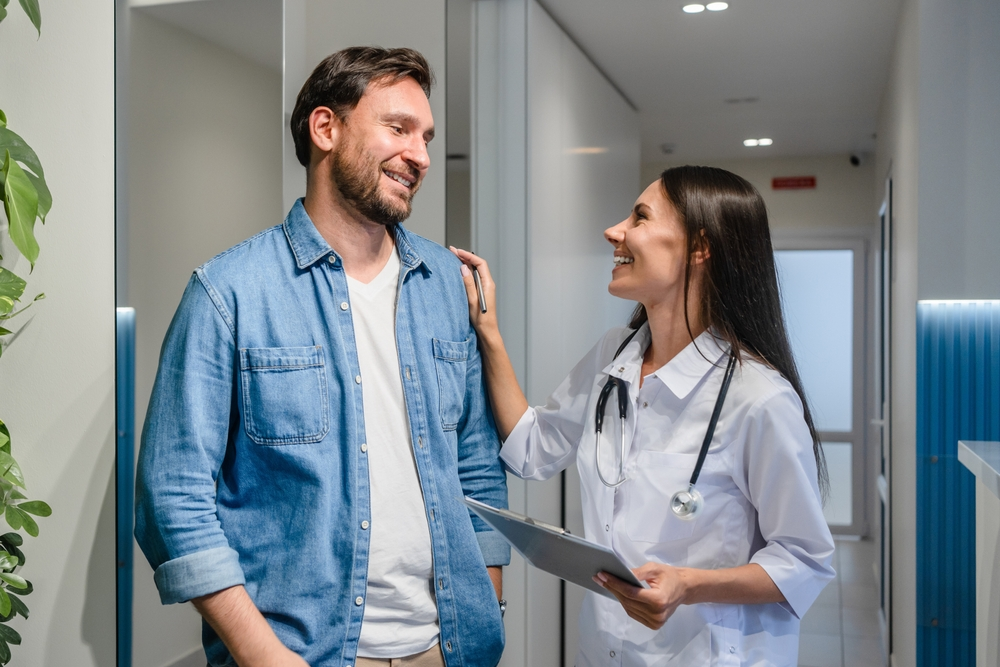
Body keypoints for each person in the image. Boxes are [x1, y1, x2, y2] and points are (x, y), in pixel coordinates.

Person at [135, 47, 509, 667]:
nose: (419, 154)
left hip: (446, 648)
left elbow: (475, 462)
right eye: (398, 128)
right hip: (303, 653)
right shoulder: (229, 292)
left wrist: (485, 604)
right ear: (326, 128)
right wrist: (262, 655)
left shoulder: (447, 282)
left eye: (426, 137)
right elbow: (172, 493)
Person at [451, 166, 836, 666]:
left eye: (640, 217)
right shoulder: (615, 354)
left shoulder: (758, 397)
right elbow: (531, 449)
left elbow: (804, 560)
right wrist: (489, 332)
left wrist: (688, 586)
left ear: (700, 247)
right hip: (606, 649)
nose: (615, 232)